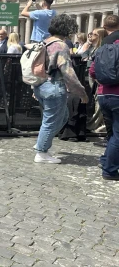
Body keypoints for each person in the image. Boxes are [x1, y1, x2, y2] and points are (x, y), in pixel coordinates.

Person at [32, 14, 88, 164]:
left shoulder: (43, 42)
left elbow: (37, 67)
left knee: (62, 116)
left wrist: (34, 87)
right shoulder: (61, 46)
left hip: (41, 85)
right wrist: (81, 92)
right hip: (54, 86)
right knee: (51, 120)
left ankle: (43, 142)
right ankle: (41, 151)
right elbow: (67, 71)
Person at [90, 14, 119, 179]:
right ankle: (109, 169)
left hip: (103, 94)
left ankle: (106, 159)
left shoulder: (102, 48)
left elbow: (92, 71)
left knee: (112, 133)